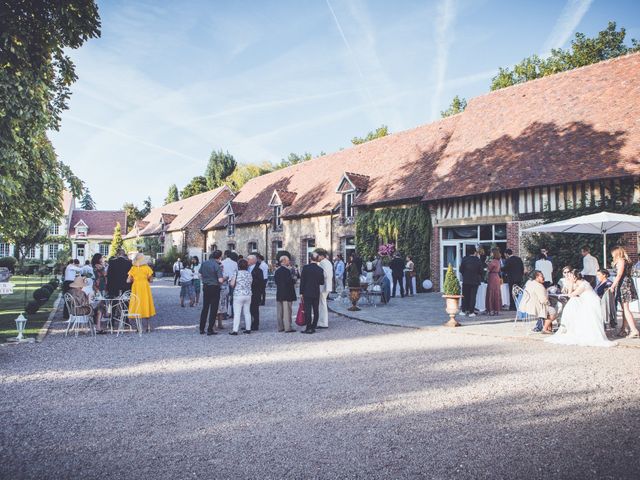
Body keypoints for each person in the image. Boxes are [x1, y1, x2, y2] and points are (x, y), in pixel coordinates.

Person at [545, 269, 617, 347]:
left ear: (575, 278)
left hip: (592, 303)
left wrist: (571, 283)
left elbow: (570, 294)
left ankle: (569, 325)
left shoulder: (583, 284)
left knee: (573, 301)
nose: (568, 278)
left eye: (570, 276)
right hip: (587, 302)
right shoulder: (581, 283)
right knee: (574, 301)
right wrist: (572, 284)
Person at [610, 246, 639, 339]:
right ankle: (624, 328)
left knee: (626, 309)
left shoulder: (621, 261)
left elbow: (619, 275)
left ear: (617, 253)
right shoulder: (624, 260)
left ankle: (634, 330)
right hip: (625, 284)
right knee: (624, 308)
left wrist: (612, 286)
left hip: (624, 285)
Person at [126, 253, 156, 333]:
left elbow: (128, 280)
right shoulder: (147, 268)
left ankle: (138, 327)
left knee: (137, 305)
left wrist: (134, 279)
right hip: (145, 287)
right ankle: (148, 327)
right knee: (146, 304)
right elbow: (151, 280)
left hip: (136, 287)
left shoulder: (133, 268)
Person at [199, 250, 224, 335]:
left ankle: (201, 328)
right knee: (213, 309)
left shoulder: (204, 263)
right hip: (215, 287)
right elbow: (220, 280)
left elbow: (200, 275)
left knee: (205, 308)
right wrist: (225, 278)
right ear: (219, 257)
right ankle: (210, 329)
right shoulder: (217, 266)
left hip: (206, 287)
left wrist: (205, 280)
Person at [299, 253, 324, 334]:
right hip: (316, 292)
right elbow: (322, 282)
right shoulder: (320, 269)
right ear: (317, 259)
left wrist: (301, 292)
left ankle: (308, 327)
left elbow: (302, 281)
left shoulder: (305, 268)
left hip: (307, 292)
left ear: (310, 258)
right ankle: (313, 327)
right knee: (316, 310)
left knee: (308, 310)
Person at [228, 258, 253, 335]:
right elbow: (251, 282)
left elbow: (232, 284)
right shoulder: (249, 273)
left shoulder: (236, 273)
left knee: (237, 313)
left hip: (238, 294)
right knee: (247, 312)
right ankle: (248, 329)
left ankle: (235, 330)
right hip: (248, 294)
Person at [274, 255, 296, 333]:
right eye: (287, 260)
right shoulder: (287, 271)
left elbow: (276, 282)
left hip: (279, 293)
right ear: (283, 261)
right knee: (287, 312)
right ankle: (287, 327)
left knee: (279, 312)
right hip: (287, 293)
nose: (289, 261)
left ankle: (280, 327)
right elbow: (289, 281)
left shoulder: (277, 271)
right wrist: (294, 280)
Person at [459, 248, 483, 317]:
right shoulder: (478, 260)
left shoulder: (464, 259)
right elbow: (481, 271)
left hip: (466, 280)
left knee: (465, 296)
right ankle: (471, 312)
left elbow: (461, 270)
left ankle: (464, 310)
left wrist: (465, 275)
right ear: (475, 252)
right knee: (473, 296)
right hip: (475, 281)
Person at [316, 248, 333, 329]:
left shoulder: (322, 263)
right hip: (328, 285)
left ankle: (322, 322)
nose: (317, 258)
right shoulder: (328, 262)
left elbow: (324, 275)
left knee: (322, 304)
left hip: (323, 286)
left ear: (321, 256)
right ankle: (323, 321)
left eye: (318, 256)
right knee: (323, 303)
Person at [248, 254, 263, 330]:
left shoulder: (258, 270)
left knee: (255, 309)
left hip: (255, 291)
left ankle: (255, 324)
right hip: (248, 292)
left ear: (253, 260)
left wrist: (251, 281)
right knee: (248, 309)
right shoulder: (248, 268)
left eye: (248, 259)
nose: (247, 261)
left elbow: (260, 281)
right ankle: (249, 323)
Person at [485, 248, 502, 316]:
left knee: (491, 293)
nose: (490, 254)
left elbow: (488, 269)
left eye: (491, 252)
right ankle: (496, 310)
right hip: (497, 277)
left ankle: (491, 309)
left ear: (494, 253)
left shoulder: (493, 261)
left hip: (492, 277)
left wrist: (487, 264)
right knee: (496, 293)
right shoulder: (498, 261)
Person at [222, 250, 238, 316]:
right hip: (233, 281)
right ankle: (233, 313)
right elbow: (237, 272)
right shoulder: (235, 263)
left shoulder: (222, 262)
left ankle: (224, 313)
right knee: (233, 298)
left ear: (225, 255)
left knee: (224, 298)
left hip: (225, 281)